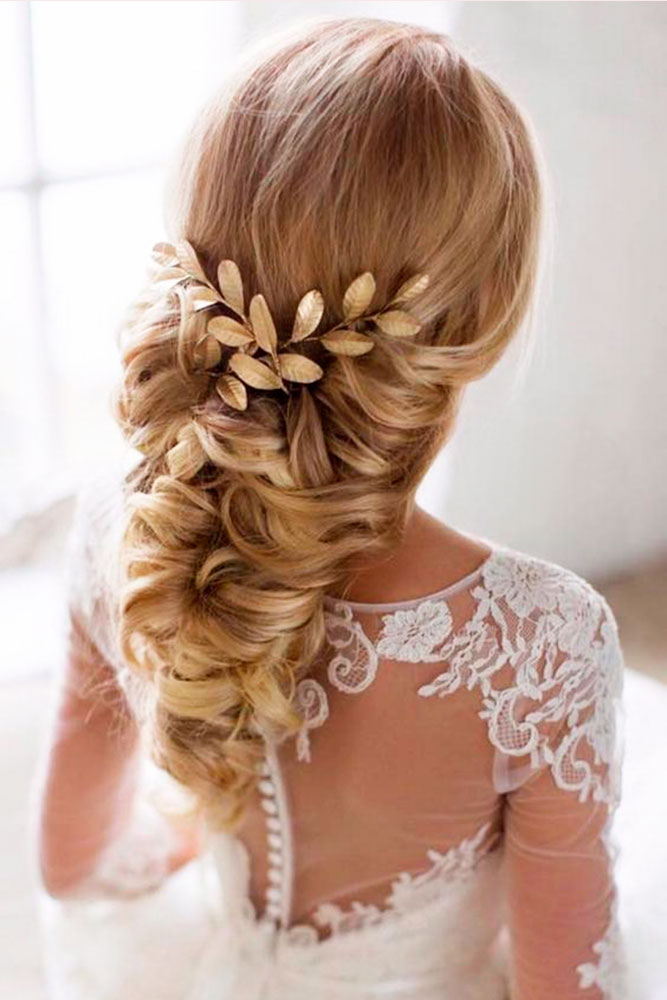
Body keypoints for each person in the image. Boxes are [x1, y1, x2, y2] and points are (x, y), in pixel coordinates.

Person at [33, 16, 648, 1000]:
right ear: (483, 313)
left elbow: (72, 863)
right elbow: (565, 987)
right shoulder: (541, 640)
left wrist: (213, 848)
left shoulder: (125, 531)